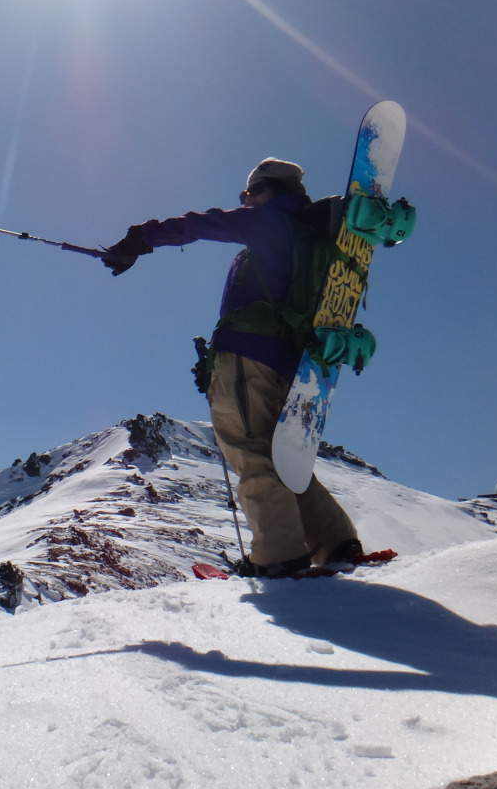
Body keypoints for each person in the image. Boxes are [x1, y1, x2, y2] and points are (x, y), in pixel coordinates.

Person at [101, 158, 362, 577]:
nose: (245, 203)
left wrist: (138, 239)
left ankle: (279, 556)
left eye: (249, 195)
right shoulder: (311, 239)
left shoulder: (272, 224)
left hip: (248, 357)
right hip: (289, 363)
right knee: (282, 458)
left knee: (251, 450)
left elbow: (203, 224)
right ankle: (336, 543)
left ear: (268, 191)